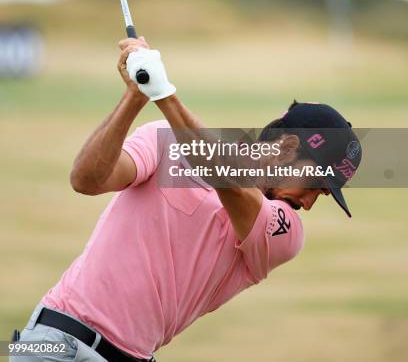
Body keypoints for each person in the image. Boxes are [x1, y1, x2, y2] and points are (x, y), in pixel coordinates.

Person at [12, 38, 361, 362]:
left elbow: (229, 182)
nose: (311, 202)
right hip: (59, 342)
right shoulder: (162, 143)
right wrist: (137, 93)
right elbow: (86, 180)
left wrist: (163, 93)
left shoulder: (287, 235)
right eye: (316, 184)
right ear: (286, 149)